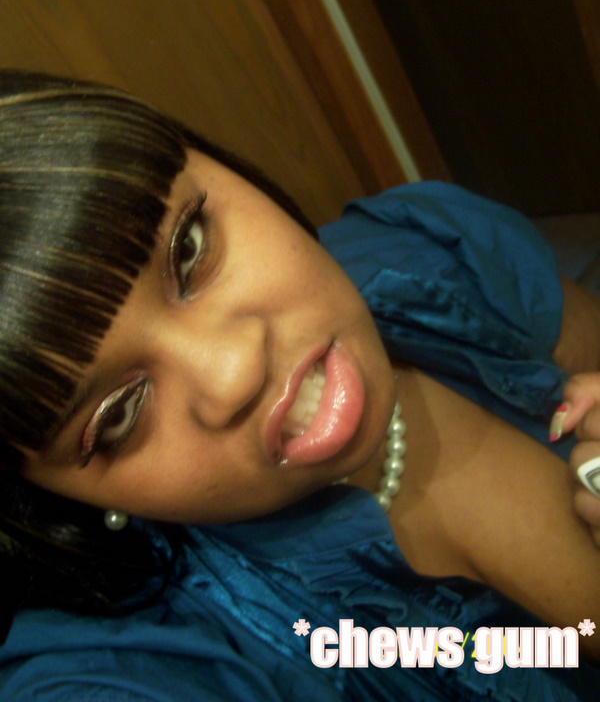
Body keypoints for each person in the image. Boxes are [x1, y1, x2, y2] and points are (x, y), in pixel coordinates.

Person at [0, 69, 598, 701]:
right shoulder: (116, 669)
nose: (235, 371)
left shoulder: (434, 246)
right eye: (119, 416)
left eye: (189, 249)